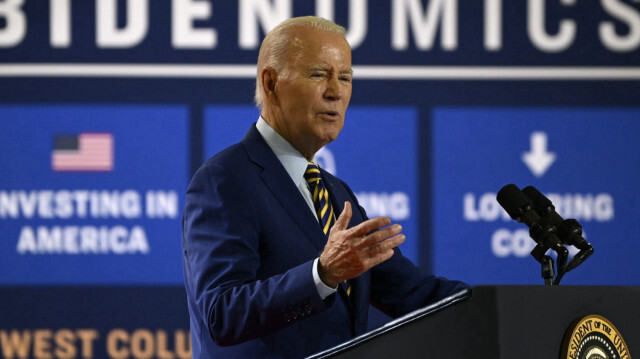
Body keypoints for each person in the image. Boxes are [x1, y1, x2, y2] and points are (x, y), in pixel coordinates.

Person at [182, 16, 469, 359]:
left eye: (345, 77)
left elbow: (415, 294)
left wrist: (514, 307)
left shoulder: (335, 192)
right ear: (271, 84)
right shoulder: (225, 179)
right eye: (319, 74)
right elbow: (221, 313)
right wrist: (322, 274)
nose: (336, 91)